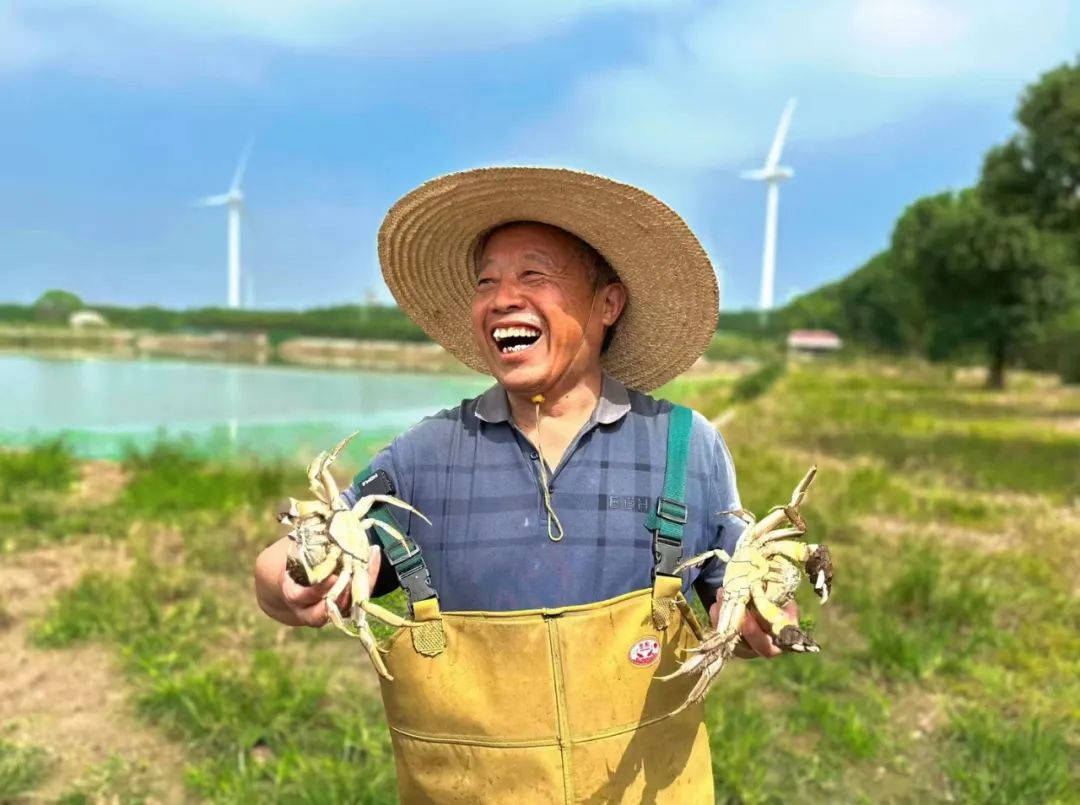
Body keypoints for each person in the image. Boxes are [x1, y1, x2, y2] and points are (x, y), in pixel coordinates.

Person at [254, 167, 796, 803]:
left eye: (534, 276)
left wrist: (764, 618)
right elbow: (302, 552)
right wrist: (285, 583)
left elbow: (737, 595)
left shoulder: (686, 447)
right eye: (487, 282)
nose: (502, 298)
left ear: (608, 304)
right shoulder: (424, 457)